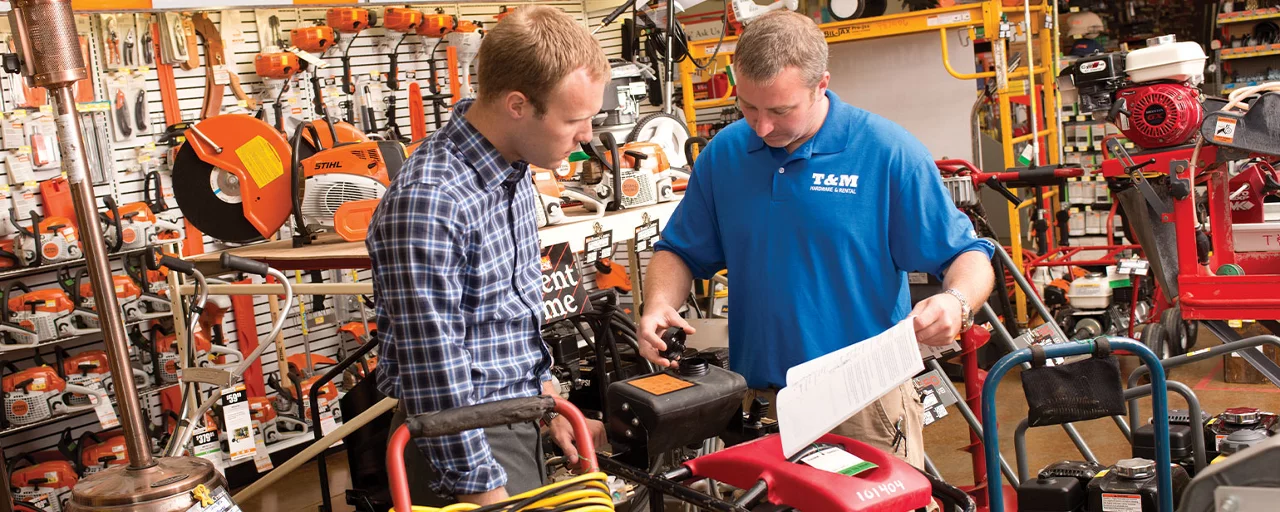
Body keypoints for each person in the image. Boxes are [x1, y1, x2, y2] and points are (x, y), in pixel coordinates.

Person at [637, 10, 996, 470]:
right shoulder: (724, 154)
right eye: (748, 106)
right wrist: (658, 303)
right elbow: (678, 250)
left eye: (780, 111)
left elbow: (968, 255)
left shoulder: (886, 152)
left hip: (862, 408)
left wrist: (957, 304)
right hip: (759, 405)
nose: (761, 127)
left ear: (821, 84)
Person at [366, 6, 610, 506]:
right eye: (574, 120)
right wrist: (485, 491)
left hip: (514, 426)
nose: (586, 136)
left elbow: (506, 323)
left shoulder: (514, 172)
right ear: (518, 104)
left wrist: (550, 407)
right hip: (461, 447)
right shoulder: (431, 201)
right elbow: (435, 374)